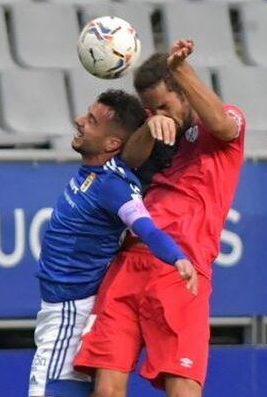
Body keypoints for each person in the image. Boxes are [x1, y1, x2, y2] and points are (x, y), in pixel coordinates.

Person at [74, 40, 246, 397]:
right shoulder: (162, 138)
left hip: (182, 268)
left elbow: (222, 124)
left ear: (184, 93)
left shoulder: (223, 128)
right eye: (150, 108)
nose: (158, 114)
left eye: (164, 105)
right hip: (129, 263)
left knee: (181, 387)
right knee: (105, 387)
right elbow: (126, 162)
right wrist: (151, 125)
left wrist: (181, 68)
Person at [29, 90, 197, 397]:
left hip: (69, 312)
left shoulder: (114, 186)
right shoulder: (98, 173)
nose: (79, 121)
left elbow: (146, 227)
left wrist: (177, 258)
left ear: (111, 144)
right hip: (62, 309)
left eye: (91, 120)